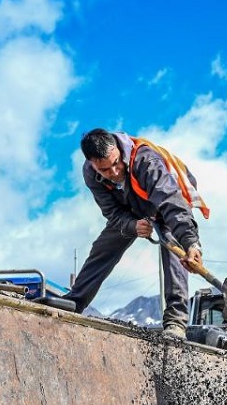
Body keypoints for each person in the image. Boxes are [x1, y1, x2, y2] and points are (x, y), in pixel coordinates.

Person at [64, 129, 207, 339]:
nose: (114, 171)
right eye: (105, 169)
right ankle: (74, 302)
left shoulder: (146, 161)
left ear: (118, 151)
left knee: (174, 246)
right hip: (131, 208)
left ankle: (176, 322)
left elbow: (171, 202)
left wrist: (191, 243)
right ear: (93, 164)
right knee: (104, 247)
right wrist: (132, 226)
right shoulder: (90, 174)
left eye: (116, 163)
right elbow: (112, 212)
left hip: (167, 203)